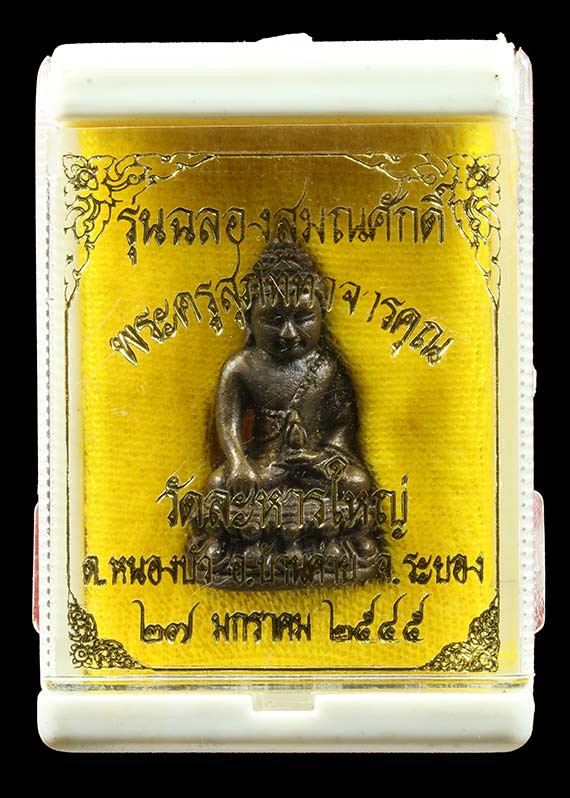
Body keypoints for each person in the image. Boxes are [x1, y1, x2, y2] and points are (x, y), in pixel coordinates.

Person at [206, 228, 377, 560]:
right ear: (249, 319)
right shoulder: (241, 367)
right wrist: (239, 463)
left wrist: (318, 460)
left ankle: (338, 544)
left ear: (321, 316)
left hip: (312, 464)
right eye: (273, 320)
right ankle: (226, 546)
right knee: (217, 484)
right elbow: (227, 423)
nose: (288, 332)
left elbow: (341, 428)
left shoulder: (326, 368)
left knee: (356, 482)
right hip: (263, 464)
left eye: (303, 318)